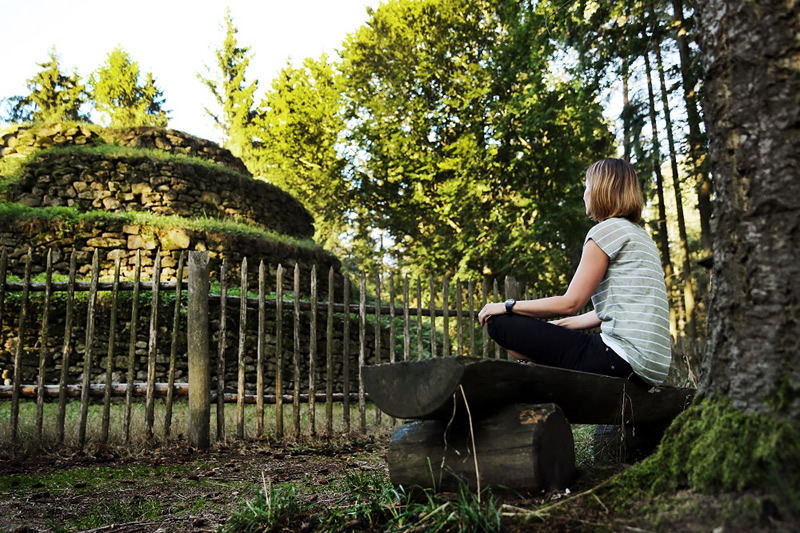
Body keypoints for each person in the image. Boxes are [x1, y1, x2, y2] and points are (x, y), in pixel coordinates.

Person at [477, 158, 671, 385]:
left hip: (620, 357)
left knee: (500, 323)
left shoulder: (606, 232)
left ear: (601, 189)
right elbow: (606, 313)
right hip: (652, 367)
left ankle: (540, 379)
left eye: (587, 187)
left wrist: (507, 306)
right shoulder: (641, 237)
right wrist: (556, 327)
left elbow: (571, 303)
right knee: (544, 334)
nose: (584, 194)